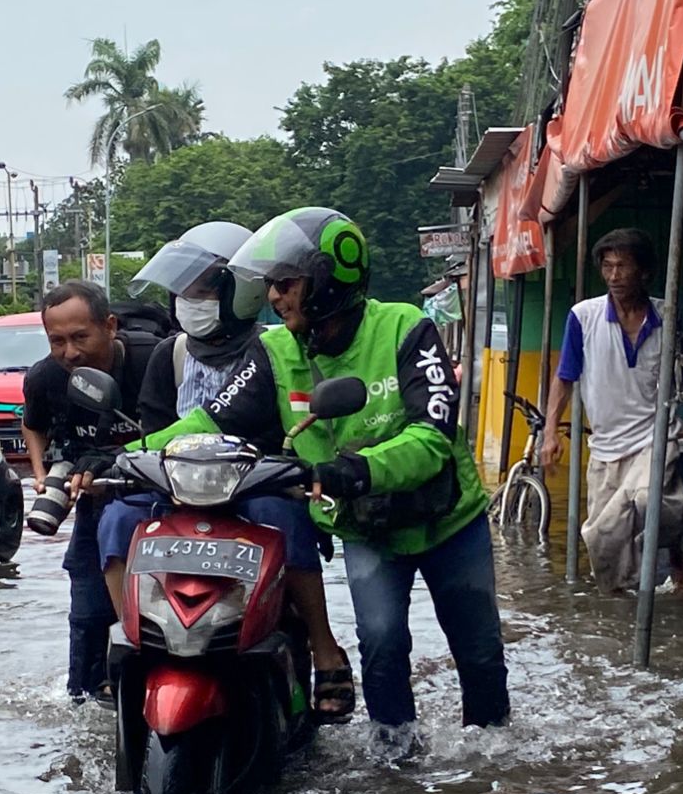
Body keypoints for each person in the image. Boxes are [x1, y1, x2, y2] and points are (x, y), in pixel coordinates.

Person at [122, 207, 509, 747]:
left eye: (287, 283)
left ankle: (494, 757)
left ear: (330, 279)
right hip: (366, 528)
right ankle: (395, 757)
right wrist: (129, 453)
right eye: (272, 285)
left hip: (448, 522)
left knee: (479, 647)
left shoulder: (405, 328)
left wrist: (347, 470)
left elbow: (432, 439)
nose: (275, 297)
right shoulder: (275, 350)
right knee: (380, 641)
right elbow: (214, 418)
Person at [90, 220, 354, 720]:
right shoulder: (169, 355)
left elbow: (271, 424)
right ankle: (133, 641)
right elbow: (157, 433)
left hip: (255, 487)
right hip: (176, 491)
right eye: (182, 291)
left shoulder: (278, 350)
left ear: (244, 291)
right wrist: (121, 458)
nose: (189, 299)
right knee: (117, 521)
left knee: (284, 516)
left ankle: (324, 649)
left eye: (204, 288)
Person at [540, 227, 683, 595]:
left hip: (652, 435)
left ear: (643, 272)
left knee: (650, 501)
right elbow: (564, 378)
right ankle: (620, 604)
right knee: (602, 537)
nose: (613, 276)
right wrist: (550, 433)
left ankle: (674, 554)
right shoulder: (583, 317)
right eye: (607, 267)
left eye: (622, 267)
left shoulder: (666, 316)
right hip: (606, 444)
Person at [22, 280, 161, 701]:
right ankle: (83, 696)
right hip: (93, 494)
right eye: (57, 341)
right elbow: (33, 425)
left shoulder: (153, 361)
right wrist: (42, 472)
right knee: (85, 603)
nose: (70, 353)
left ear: (110, 326)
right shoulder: (46, 376)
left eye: (81, 337)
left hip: (160, 494)